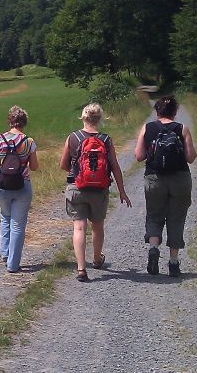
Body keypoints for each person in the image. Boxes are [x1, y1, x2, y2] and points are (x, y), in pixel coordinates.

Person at [59, 103, 131, 282]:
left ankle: (82, 269)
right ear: (99, 119)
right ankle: (97, 259)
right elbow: (114, 166)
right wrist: (122, 191)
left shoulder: (73, 137)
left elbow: (63, 165)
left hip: (77, 188)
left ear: (83, 118)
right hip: (99, 190)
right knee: (97, 226)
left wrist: (76, 172)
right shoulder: (106, 140)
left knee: (79, 227)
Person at [133, 95, 197, 277]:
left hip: (154, 177)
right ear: (175, 112)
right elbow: (191, 158)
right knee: (177, 218)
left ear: (157, 111)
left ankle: (154, 248)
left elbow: (138, 156)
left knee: (154, 215)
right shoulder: (182, 128)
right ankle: (174, 263)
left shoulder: (147, 128)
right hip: (180, 179)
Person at [0, 105, 39, 273]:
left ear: (10, 121)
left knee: (5, 217)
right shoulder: (29, 142)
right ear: (24, 122)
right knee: (18, 224)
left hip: (1, 185)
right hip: (22, 186)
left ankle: (5, 254)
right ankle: (13, 264)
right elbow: (34, 167)